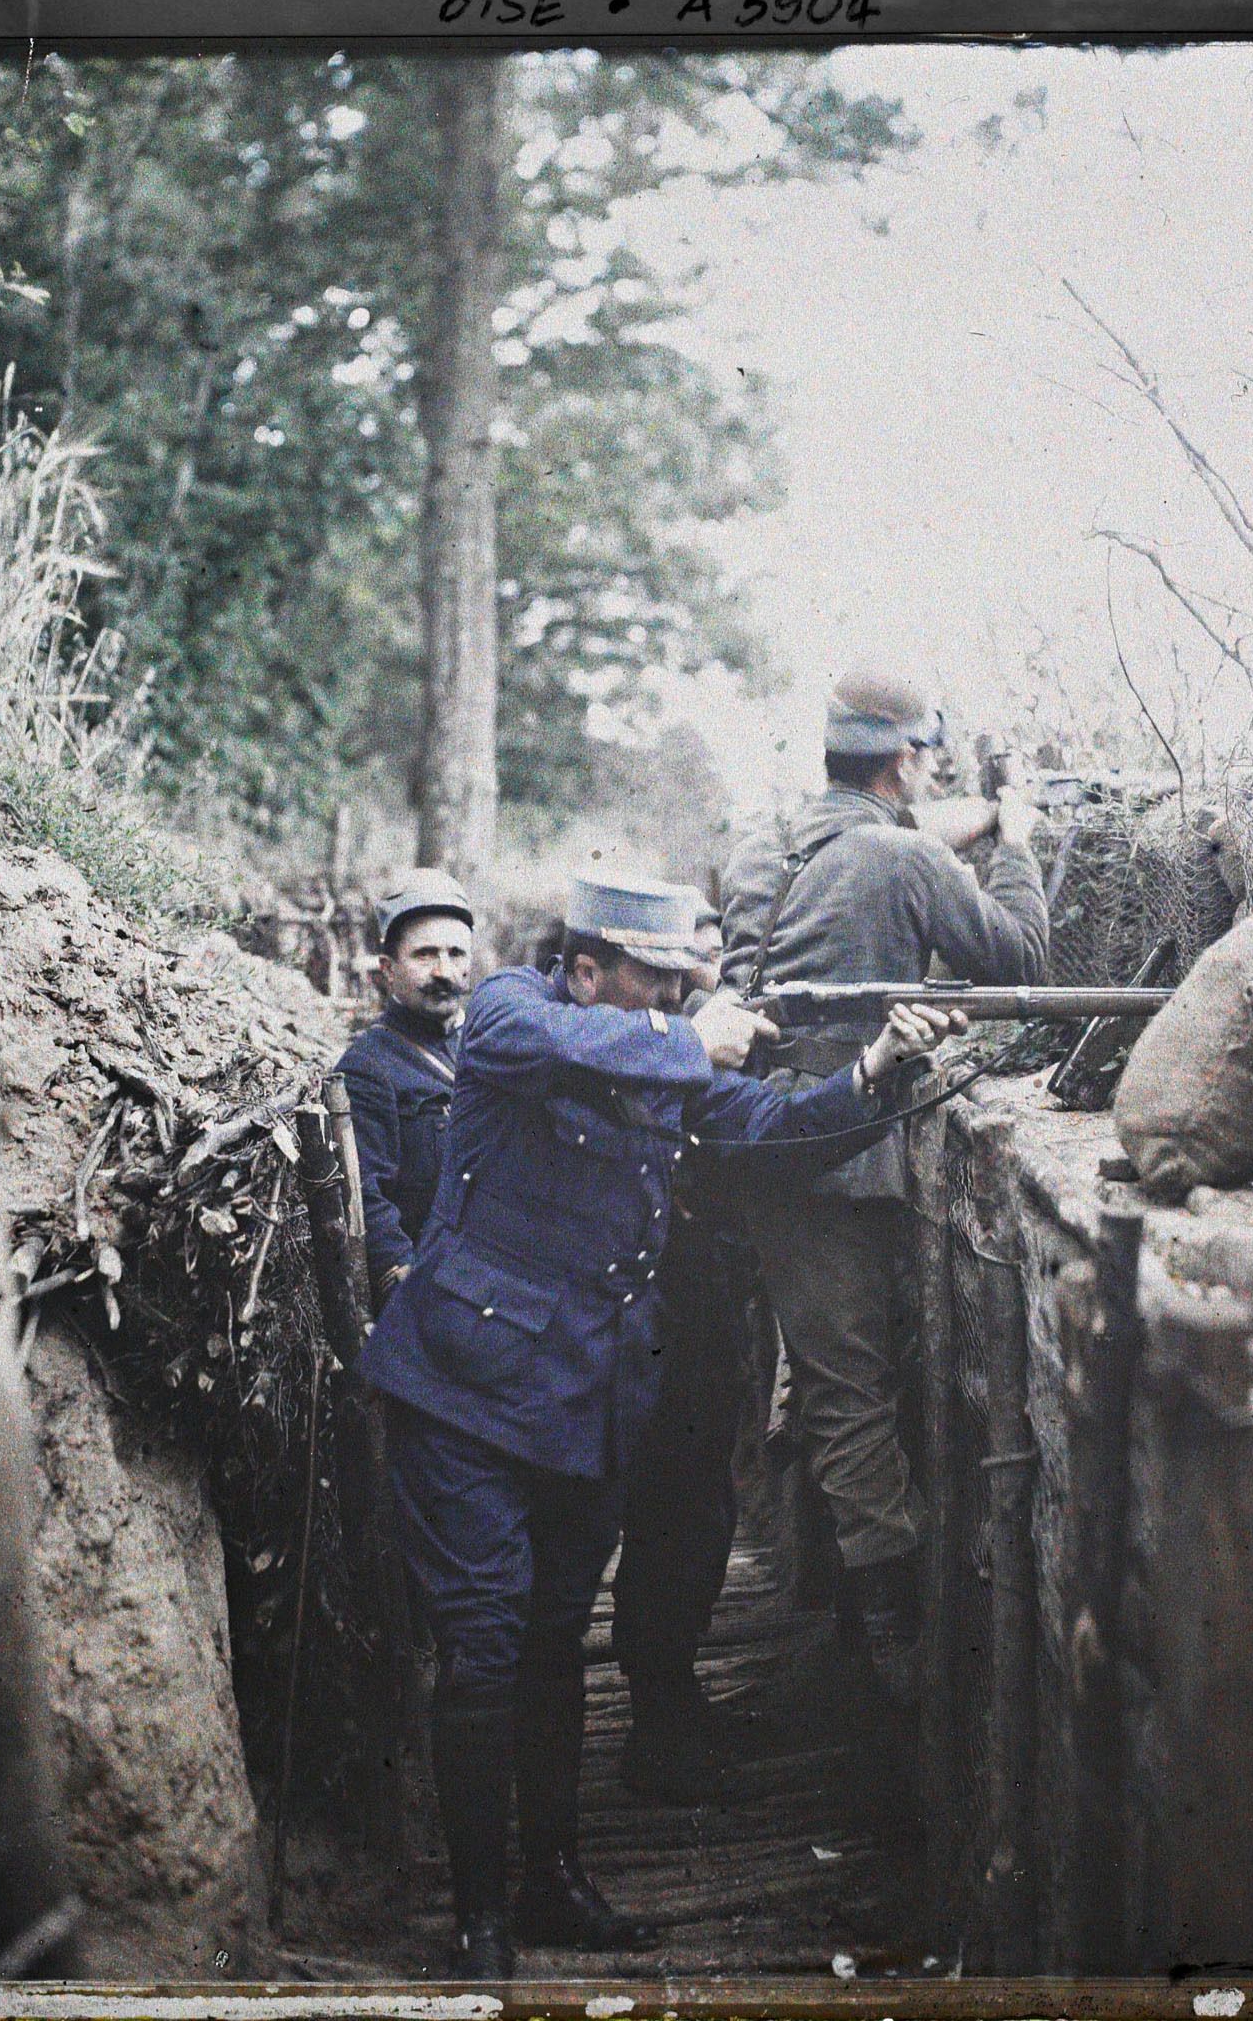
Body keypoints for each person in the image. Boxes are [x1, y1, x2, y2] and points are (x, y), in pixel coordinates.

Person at [354, 873, 961, 1979]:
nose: (682, 995)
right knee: (485, 1648)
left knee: (547, 1645)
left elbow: (771, 1126)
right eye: (657, 976)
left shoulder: (655, 1058)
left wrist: (874, 1066)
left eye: (689, 977)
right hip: (464, 1390)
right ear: (583, 968)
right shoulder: (507, 1012)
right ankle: (481, 1917)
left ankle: (551, 1882)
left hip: (584, 1402)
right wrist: (688, 1035)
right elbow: (587, 1045)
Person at [719, 671, 1048, 1702]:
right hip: (850, 1158)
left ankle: (834, 1614)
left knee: (818, 1383)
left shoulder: (764, 850)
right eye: (925, 761)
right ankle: (887, 1659)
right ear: (904, 760)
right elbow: (1026, 959)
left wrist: (971, 816)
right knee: (855, 1400)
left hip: (764, 1149)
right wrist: (1020, 840)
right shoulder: (901, 856)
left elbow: (873, 851)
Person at [610, 892, 755, 1803]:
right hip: (647, 1316)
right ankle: (653, 1723)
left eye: (713, 950)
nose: (708, 965)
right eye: (690, 954)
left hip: (703, 1310)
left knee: (698, 1511)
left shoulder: (699, 1034)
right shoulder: (634, 1040)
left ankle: (674, 1696)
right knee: (665, 1512)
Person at [334, 870, 475, 1307]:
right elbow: (366, 1202)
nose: (444, 971)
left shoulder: (486, 1046)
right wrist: (410, 1291)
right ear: (388, 970)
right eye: (425, 955)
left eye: (456, 953)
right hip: (435, 1290)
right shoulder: (369, 1067)